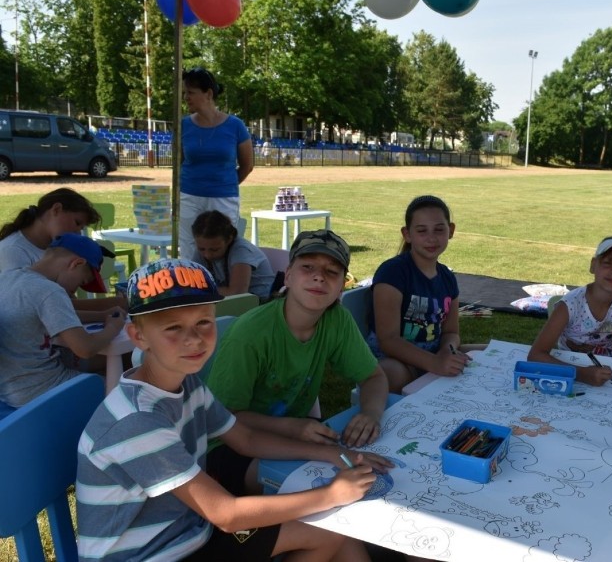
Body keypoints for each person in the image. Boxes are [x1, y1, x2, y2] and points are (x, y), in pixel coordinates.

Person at [76, 258, 390, 562]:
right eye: (173, 328)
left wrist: (330, 453)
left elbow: (246, 440)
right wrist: (331, 495)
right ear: (138, 336)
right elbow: (225, 514)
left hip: (188, 535)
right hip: (152, 554)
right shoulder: (137, 420)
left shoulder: (187, 385)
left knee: (330, 532)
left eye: (203, 322)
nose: (194, 339)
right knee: (327, 521)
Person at [205, 229, 390, 468]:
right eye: (308, 267)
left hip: (296, 430)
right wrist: (293, 427)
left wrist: (371, 414)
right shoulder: (250, 334)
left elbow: (373, 376)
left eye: (332, 271)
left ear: (341, 287)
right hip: (230, 444)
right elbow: (225, 418)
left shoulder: (337, 320)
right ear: (288, 276)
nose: (319, 277)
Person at [0, 233, 126, 409]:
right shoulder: (49, 291)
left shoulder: (8, 278)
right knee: (124, 389)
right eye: (82, 281)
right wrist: (113, 327)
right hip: (43, 391)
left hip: (10, 393)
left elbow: (57, 315)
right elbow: (85, 348)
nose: (76, 289)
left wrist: (102, 315)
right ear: (76, 263)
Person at [367, 195, 472, 394]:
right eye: (422, 231)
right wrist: (435, 363)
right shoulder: (392, 272)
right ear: (407, 234)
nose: (431, 238)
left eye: (439, 230)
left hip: (433, 354)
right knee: (391, 373)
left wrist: (446, 351)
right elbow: (388, 340)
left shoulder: (448, 278)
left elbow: (451, 333)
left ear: (451, 230)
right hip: (393, 359)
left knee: (483, 353)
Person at [527, 236, 612, 386]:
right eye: (607, 263)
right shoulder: (570, 304)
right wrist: (581, 373)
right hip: (567, 367)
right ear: (593, 265)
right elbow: (536, 355)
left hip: (610, 370)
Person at [0, 187, 127, 318]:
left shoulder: (56, 249)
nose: (77, 233)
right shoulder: (13, 251)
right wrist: (115, 304)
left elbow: (67, 301)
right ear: (56, 209)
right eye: (77, 223)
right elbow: (48, 307)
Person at [179, 66, 253, 258]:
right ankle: (190, 286)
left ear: (208, 94)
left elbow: (247, 165)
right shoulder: (183, 125)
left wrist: (225, 183)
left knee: (223, 248)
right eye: (184, 93)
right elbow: (179, 161)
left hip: (224, 198)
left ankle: (224, 287)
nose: (186, 97)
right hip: (189, 196)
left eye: (191, 93)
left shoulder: (235, 125)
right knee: (189, 248)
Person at [191, 209, 275, 300]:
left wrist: (200, 290)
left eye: (214, 250)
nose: (207, 255)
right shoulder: (205, 247)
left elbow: (237, 293)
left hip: (260, 303)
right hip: (229, 303)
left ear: (229, 239)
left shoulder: (241, 251)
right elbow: (191, 283)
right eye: (201, 249)